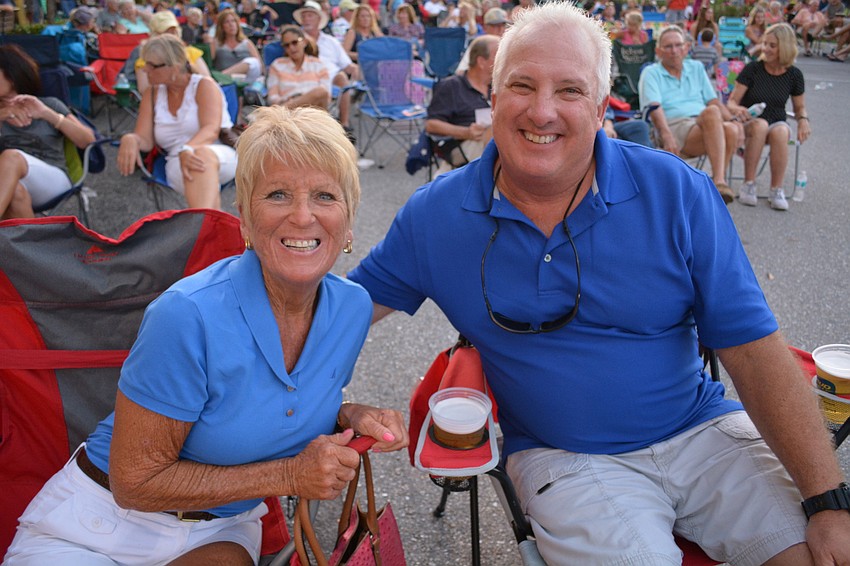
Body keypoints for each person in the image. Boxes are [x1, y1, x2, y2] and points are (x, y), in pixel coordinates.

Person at [348, 3, 850, 564]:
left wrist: (828, 500)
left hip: (701, 431)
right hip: (566, 456)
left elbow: (753, 351)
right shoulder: (435, 216)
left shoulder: (677, 192)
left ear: (600, 103)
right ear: (492, 94)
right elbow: (338, 315)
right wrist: (309, 405)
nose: (542, 111)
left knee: (815, 553)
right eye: (522, 85)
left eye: (569, 90)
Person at [4, 103, 408, 565]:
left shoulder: (352, 309)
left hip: (219, 531)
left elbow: (279, 398)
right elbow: (134, 482)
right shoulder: (187, 315)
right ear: (244, 217)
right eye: (276, 194)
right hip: (100, 524)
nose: (301, 216)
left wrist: (349, 415)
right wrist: (290, 476)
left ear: (349, 220)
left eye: (325, 197)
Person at [117, 35, 236, 210]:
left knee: (199, 158)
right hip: (176, 162)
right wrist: (131, 138)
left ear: (175, 66)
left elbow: (211, 129)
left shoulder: (204, 86)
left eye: (151, 65)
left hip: (218, 153)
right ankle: (211, 230)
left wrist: (188, 149)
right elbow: (146, 140)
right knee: (197, 167)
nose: (144, 70)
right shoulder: (151, 94)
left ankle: (204, 230)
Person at [639, 25, 738, 203]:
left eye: (678, 45)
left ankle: (716, 185)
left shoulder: (697, 68)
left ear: (686, 48)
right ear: (658, 51)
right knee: (712, 114)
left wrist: (734, 120)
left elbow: (713, 100)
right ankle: (718, 183)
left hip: (704, 125)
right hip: (674, 125)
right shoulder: (651, 73)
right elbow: (654, 107)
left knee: (731, 128)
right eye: (668, 46)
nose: (674, 51)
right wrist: (666, 134)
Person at [0, 44, 95, 220]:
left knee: (12, 157)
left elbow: (87, 140)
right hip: (7, 184)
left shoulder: (49, 104)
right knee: (16, 193)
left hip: (53, 179)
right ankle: (34, 247)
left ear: (11, 76)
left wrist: (48, 115)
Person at [727, 23, 810, 210]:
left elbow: (800, 107)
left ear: (785, 47)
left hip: (777, 121)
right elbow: (732, 102)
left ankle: (776, 189)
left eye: (772, 45)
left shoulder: (794, 75)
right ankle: (748, 184)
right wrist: (737, 110)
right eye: (765, 43)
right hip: (750, 121)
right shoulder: (753, 69)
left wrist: (803, 120)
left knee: (781, 130)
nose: (765, 49)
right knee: (761, 125)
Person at [425, 34, 499, 176]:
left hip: (491, 143)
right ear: (481, 61)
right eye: (499, 57)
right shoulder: (452, 86)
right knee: (496, 137)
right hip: (462, 144)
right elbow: (431, 125)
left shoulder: (497, 87)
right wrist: (466, 132)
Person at [295, 0, 358, 138]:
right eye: (304, 16)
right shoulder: (296, 41)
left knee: (342, 77)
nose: (306, 19)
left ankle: (344, 125)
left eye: (310, 15)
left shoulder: (331, 41)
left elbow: (347, 65)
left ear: (319, 19)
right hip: (306, 79)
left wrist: (356, 70)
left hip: (332, 77)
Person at [128, 10, 212, 94]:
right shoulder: (146, 60)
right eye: (166, 31)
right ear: (155, 34)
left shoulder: (191, 52)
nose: (171, 34)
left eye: (174, 30)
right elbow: (145, 91)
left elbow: (207, 81)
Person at [267, 25, 331, 109]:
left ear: (304, 42)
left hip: (313, 111)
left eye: (295, 42)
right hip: (289, 111)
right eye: (287, 45)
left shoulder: (318, 64)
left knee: (321, 91)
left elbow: (326, 95)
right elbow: (272, 95)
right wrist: (281, 101)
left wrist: (301, 100)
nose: (291, 48)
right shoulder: (277, 65)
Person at [211, 8, 264, 83]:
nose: (231, 24)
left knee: (253, 62)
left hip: (245, 80)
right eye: (227, 22)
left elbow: (259, 66)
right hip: (226, 82)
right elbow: (209, 62)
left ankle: (222, 76)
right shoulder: (216, 43)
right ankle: (222, 77)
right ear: (222, 27)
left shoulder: (247, 43)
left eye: (233, 21)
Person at [455, 7, 508, 74]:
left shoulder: (509, 44)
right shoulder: (479, 44)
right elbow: (461, 71)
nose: (501, 29)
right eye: (496, 26)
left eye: (503, 25)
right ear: (486, 28)